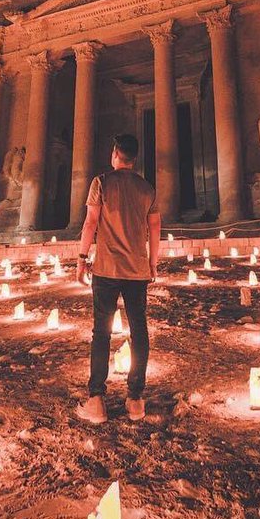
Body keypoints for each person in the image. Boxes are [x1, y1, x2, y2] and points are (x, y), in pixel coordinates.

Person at [75, 133, 160, 424]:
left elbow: (90, 223)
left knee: (102, 332)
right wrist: (153, 263)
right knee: (139, 331)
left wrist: (81, 259)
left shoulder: (101, 182)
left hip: (106, 269)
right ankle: (135, 399)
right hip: (137, 270)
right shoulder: (147, 189)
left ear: (115, 154)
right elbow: (155, 229)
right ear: (134, 158)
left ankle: (96, 400)